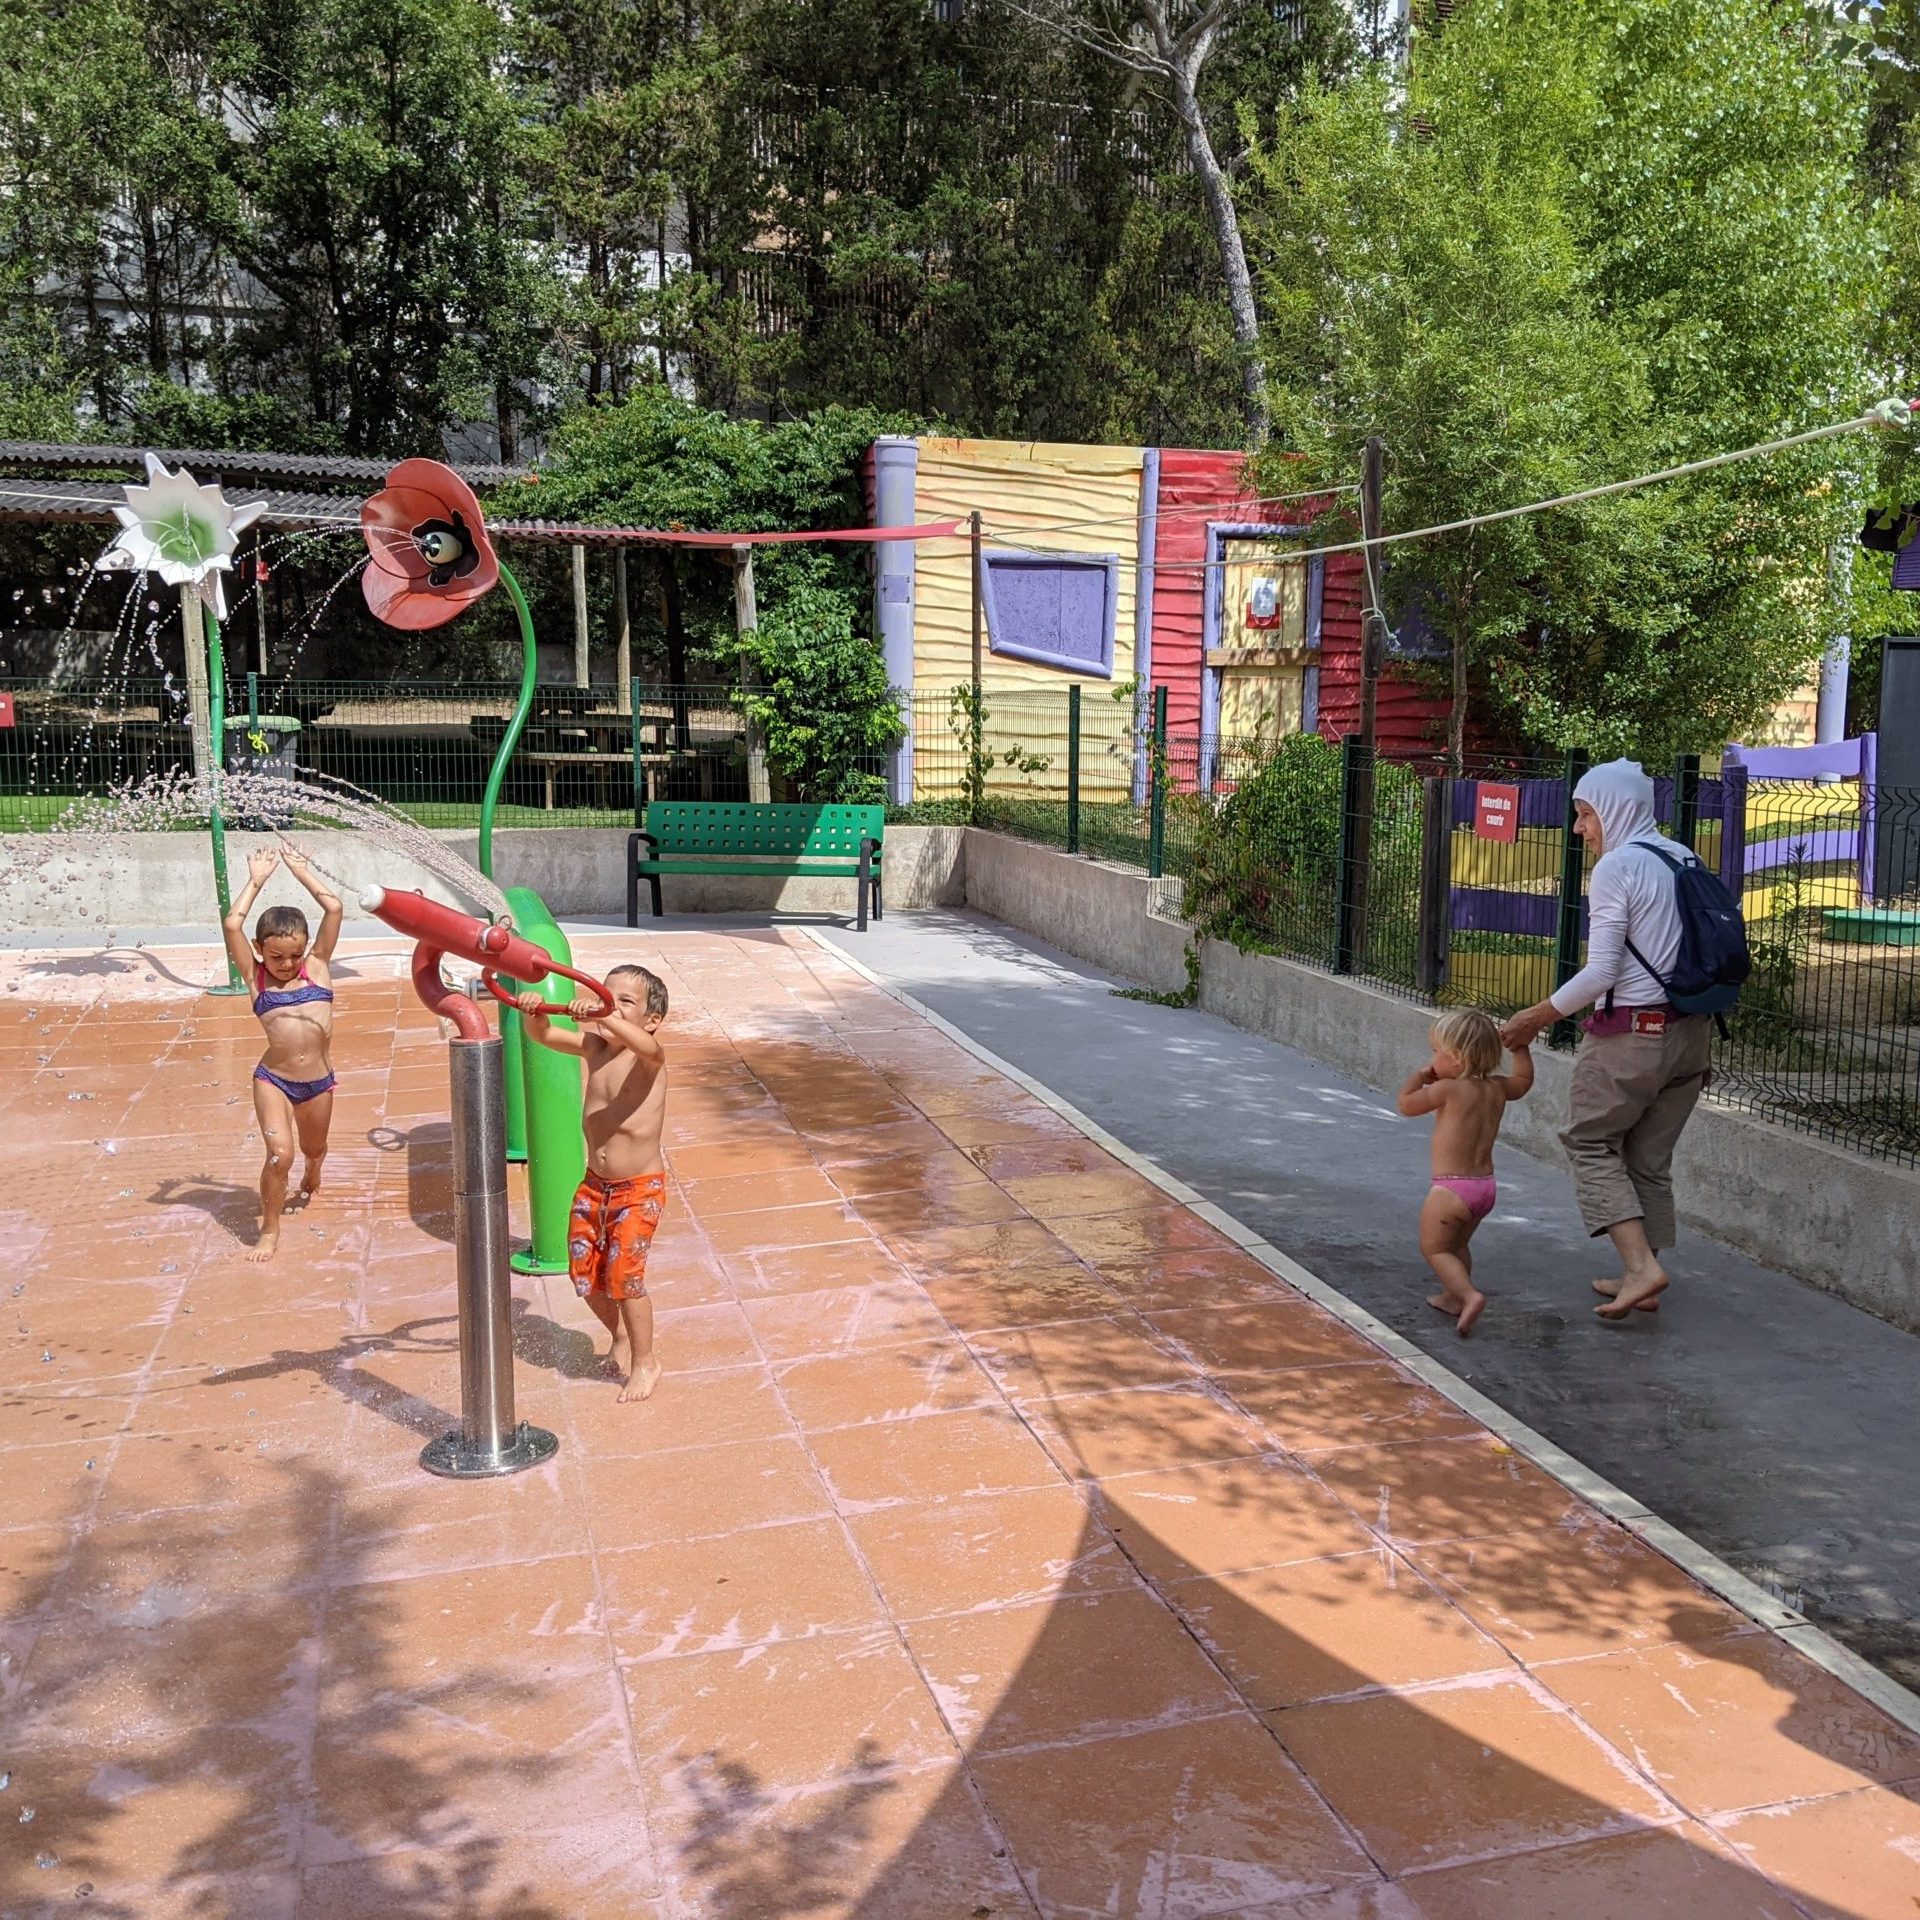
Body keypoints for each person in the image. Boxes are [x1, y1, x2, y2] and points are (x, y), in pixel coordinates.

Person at [1499, 759, 1712, 1321]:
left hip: (1633, 1038)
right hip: (1691, 1036)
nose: (1578, 829)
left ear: (1614, 810)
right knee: (1648, 1157)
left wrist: (1534, 1018)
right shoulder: (1682, 857)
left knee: (1589, 1141)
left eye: (1585, 814)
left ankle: (1641, 1268)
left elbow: (1601, 973)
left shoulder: (1618, 867)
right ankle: (1645, 1275)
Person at [517, 964, 670, 1403]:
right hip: (595, 1184)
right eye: (606, 995)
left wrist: (605, 1015)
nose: (610, 1005)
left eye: (625, 1002)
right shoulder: (596, 1048)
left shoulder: (648, 1059)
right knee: (582, 1271)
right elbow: (546, 1036)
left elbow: (648, 1048)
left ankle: (646, 1360)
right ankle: (619, 1334)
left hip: (639, 1189)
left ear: (651, 1020)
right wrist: (534, 1013)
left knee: (625, 1278)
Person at [221, 847, 343, 1263]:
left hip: (319, 1083)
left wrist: (302, 870)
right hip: (274, 1080)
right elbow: (232, 923)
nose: (287, 964)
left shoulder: (318, 966)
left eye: (294, 955)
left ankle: (314, 1169)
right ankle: (270, 1230)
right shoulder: (255, 977)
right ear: (259, 949)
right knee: (279, 1156)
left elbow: (333, 907)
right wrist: (256, 881)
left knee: (314, 1148)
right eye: (276, 956)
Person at [1396, 1007, 1533, 1336]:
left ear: (1457, 1059)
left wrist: (1419, 1077)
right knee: (1457, 1246)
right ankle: (1453, 1297)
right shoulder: (1497, 1088)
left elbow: (1406, 1105)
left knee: (1435, 1248)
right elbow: (1524, 1081)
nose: (1432, 1060)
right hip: (1484, 1188)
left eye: (1436, 1052)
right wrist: (1521, 1049)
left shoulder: (1448, 1090)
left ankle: (1469, 1295)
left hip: (1450, 1190)